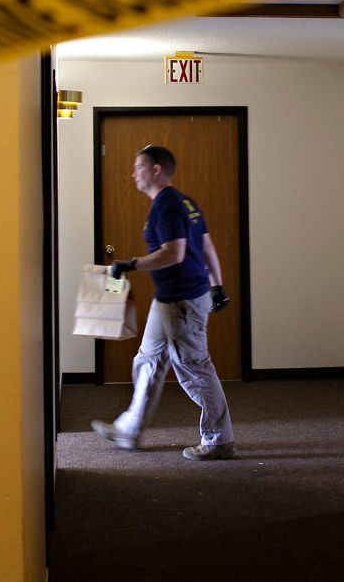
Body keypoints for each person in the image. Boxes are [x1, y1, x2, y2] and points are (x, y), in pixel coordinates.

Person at [91, 144, 236, 461]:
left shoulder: (168, 205)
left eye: (138, 167)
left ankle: (218, 439)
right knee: (148, 360)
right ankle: (129, 429)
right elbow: (208, 246)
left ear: (156, 170)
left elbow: (174, 253)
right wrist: (217, 286)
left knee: (193, 369)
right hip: (171, 299)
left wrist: (131, 264)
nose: (133, 173)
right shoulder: (184, 202)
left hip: (182, 300)